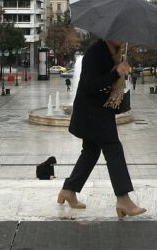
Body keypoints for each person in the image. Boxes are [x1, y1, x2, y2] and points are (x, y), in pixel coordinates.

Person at [58, 38, 146, 218]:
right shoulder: (96, 52)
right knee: (113, 148)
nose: (123, 37)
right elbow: (90, 85)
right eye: (119, 33)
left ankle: (69, 190)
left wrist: (120, 72)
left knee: (91, 152)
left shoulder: (115, 54)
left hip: (99, 111)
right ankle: (123, 199)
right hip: (91, 112)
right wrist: (116, 73)